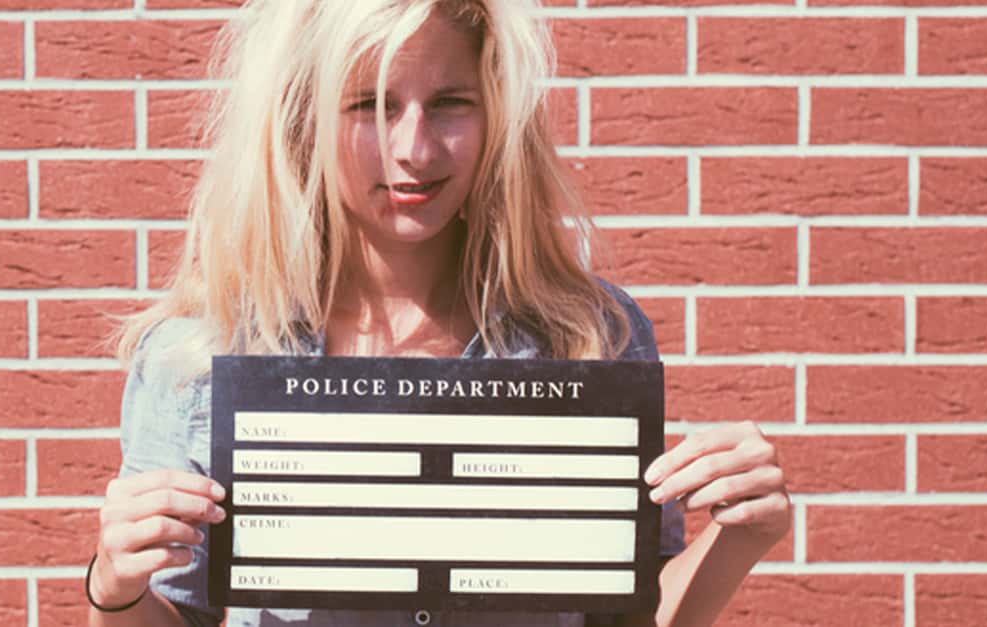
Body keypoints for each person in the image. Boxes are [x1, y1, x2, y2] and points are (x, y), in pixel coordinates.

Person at [88, 1, 791, 625]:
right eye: (369, 105)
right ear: (302, 118)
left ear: (499, 116)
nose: (414, 150)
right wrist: (114, 585)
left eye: (450, 103)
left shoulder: (591, 337)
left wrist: (739, 535)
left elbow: (628, 614)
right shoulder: (197, 353)